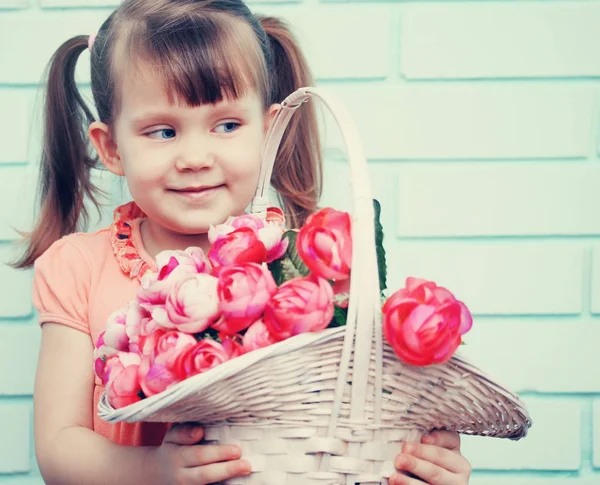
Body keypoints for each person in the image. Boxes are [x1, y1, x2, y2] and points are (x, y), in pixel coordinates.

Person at [14, 0, 472, 484]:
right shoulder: (77, 268)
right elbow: (59, 445)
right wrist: (151, 469)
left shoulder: (304, 268)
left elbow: (346, 413)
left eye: (227, 125)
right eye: (163, 131)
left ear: (269, 128)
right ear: (111, 148)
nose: (194, 156)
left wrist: (412, 449)